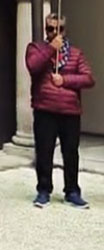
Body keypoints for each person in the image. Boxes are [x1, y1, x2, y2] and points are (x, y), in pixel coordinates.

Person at [26, 14, 94, 209]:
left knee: (70, 153)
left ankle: (72, 191)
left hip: (70, 111)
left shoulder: (76, 53)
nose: (55, 33)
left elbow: (88, 79)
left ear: (65, 30)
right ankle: (43, 190)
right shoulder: (36, 48)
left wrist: (65, 80)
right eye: (50, 29)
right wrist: (51, 48)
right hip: (45, 109)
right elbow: (33, 67)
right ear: (45, 29)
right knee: (44, 151)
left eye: (59, 29)